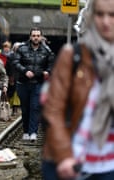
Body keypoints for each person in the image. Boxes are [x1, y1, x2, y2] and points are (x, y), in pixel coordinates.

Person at [42, 0, 114, 179]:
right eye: (99, 14)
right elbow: (53, 110)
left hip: (107, 166)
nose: (106, 22)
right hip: (69, 162)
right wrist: (64, 155)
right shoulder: (72, 55)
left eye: (112, 15)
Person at [13, 27, 54, 141]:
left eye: (38, 36)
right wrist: (25, 71)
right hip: (23, 83)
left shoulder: (46, 51)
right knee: (25, 108)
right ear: (30, 37)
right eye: (34, 35)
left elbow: (51, 64)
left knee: (35, 107)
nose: (36, 38)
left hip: (38, 82)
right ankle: (26, 131)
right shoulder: (22, 49)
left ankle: (33, 132)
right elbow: (15, 62)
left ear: (41, 37)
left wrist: (47, 71)